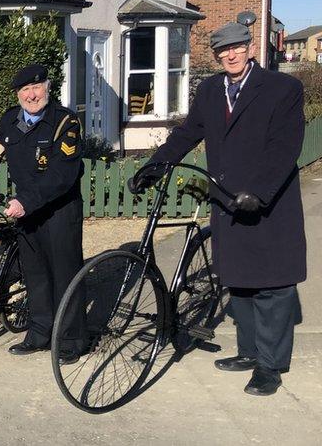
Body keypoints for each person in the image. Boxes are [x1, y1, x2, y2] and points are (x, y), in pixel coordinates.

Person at [129, 21, 306, 396]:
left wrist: (258, 192)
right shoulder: (210, 89)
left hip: (267, 203)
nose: (230, 55)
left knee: (272, 287)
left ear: (250, 47)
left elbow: (284, 146)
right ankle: (249, 351)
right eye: (223, 50)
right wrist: (155, 166)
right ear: (216, 55)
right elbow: (187, 133)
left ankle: (270, 367)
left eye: (237, 47)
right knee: (238, 282)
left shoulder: (283, 88)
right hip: (226, 200)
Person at [0, 64, 86, 364]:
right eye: (24, 90)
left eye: (36, 88)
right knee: (34, 273)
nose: (31, 95)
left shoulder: (65, 122)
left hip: (59, 210)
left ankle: (72, 338)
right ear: (18, 94)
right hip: (27, 211)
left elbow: (62, 175)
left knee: (65, 273)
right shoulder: (11, 120)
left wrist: (25, 200)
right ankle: (39, 332)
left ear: (47, 88)